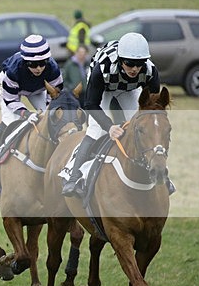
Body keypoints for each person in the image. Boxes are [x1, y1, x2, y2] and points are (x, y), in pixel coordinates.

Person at [62, 32, 160, 197]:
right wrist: (109, 126)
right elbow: (90, 104)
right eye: (129, 63)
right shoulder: (102, 69)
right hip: (104, 89)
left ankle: (160, 173)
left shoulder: (150, 71)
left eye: (139, 64)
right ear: (121, 60)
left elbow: (153, 107)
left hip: (129, 90)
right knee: (96, 130)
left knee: (143, 128)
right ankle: (73, 176)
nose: (135, 69)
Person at [0, 34, 64, 178]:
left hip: (37, 89)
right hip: (11, 91)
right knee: (11, 120)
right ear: (25, 61)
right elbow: (11, 101)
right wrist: (26, 114)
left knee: (52, 118)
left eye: (42, 63)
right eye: (33, 64)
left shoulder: (53, 69)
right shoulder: (13, 71)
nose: (39, 68)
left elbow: (54, 98)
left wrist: (49, 112)